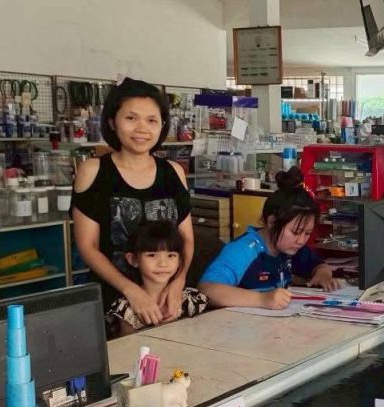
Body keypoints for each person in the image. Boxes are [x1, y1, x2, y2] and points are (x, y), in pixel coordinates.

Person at [71, 78, 193, 328]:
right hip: (113, 303)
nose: (142, 129)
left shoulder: (173, 172)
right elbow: (87, 246)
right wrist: (132, 291)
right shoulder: (93, 171)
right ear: (112, 122)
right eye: (131, 118)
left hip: (167, 299)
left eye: (151, 120)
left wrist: (178, 283)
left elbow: (186, 240)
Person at [198, 167, 340, 309]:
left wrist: (323, 275)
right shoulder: (243, 250)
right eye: (295, 232)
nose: (301, 240)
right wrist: (262, 299)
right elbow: (207, 290)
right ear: (272, 222)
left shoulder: (291, 248)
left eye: (307, 233)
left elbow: (319, 265)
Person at [106, 221, 208, 338]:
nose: (163, 263)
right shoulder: (126, 308)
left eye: (171, 255)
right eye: (152, 255)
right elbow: (127, 345)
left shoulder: (192, 299)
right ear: (133, 259)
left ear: (180, 260)